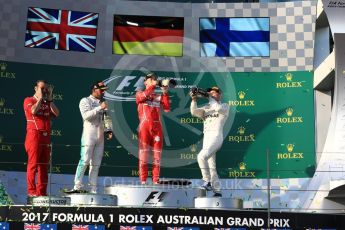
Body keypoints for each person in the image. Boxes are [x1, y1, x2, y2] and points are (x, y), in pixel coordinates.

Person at [67, 81, 113, 194]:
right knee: (85, 160)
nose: (103, 92)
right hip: (89, 134)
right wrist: (99, 108)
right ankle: (77, 186)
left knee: (96, 163)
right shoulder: (85, 100)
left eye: (104, 90)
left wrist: (109, 130)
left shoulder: (103, 103)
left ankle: (93, 188)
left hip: (100, 135)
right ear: (94, 89)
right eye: (101, 90)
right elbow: (86, 116)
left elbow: (107, 117)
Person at [190, 86, 229, 197]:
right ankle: (217, 191)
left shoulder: (224, 106)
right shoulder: (206, 108)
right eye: (210, 93)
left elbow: (217, 108)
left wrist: (209, 97)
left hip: (216, 136)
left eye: (214, 93)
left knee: (201, 157)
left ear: (219, 94)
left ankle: (206, 181)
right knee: (211, 166)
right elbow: (193, 112)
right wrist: (194, 99)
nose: (211, 94)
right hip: (206, 137)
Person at [23, 80, 59, 197]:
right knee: (33, 164)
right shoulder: (29, 100)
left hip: (46, 136)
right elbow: (33, 110)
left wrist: (50, 100)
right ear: (35, 88)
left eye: (46, 89)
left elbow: (57, 113)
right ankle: (31, 191)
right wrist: (40, 99)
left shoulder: (47, 102)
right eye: (42, 88)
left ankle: (42, 192)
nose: (44, 91)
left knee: (44, 167)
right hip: (34, 135)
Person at [136, 73, 170, 185]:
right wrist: (153, 86)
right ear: (145, 82)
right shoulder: (139, 93)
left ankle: (156, 180)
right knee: (143, 155)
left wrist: (165, 92)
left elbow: (166, 109)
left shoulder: (158, 95)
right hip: (144, 128)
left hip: (157, 128)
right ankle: (143, 181)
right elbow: (143, 97)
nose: (154, 81)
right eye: (151, 79)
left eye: (155, 79)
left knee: (157, 157)